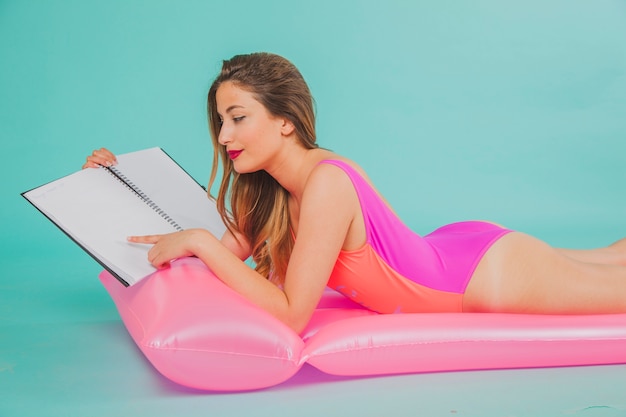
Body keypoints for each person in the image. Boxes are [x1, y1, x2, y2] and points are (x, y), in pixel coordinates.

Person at [84, 52, 626, 333]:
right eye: (220, 121)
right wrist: (112, 181)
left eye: (238, 118)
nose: (224, 136)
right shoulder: (270, 191)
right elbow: (204, 262)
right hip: (454, 250)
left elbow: (293, 314)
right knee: (614, 257)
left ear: (285, 123)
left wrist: (200, 242)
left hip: (489, 277)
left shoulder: (327, 185)